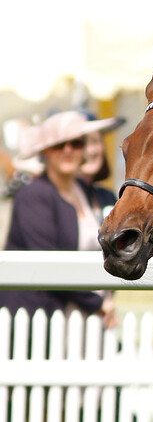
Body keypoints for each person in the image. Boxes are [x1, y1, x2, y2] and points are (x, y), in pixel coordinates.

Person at [0, 111, 119, 327]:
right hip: (34, 320)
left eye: (76, 143)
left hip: (79, 316)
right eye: (59, 145)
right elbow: (48, 263)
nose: (68, 150)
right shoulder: (34, 194)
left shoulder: (86, 192)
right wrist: (96, 303)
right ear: (45, 150)